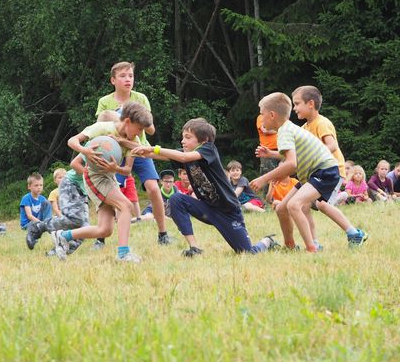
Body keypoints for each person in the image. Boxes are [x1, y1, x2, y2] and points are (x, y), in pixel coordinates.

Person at [131, 118, 278, 257]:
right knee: (176, 199)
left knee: (246, 252)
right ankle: (194, 247)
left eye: (188, 137)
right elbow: (166, 156)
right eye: (183, 137)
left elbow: (181, 157)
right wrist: (143, 151)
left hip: (227, 211)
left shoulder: (209, 149)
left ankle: (267, 241)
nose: (183, 141)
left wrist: (154, 148)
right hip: (206, 208)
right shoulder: (186, 154)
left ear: (204, 140)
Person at [250, 93, 367, 252]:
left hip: (324, 172)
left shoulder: (285, 131)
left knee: (294, 205)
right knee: (281, 208)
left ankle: (312, 248)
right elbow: (293, 158)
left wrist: (264, 179)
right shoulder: (288, 128)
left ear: (272, 115)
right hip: (312, 174)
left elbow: (291, 163)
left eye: (262, 114)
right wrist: (272, 155)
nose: (260, 119)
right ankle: (290, 246)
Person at [41, 101, 152, 262]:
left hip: (110, 177)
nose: (140, 133)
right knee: (126, 206)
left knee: (105, 230)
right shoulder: (103, 128)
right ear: (128, 121)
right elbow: (72, 141)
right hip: (94, 176)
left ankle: (63, 236)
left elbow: (127, 170)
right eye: (139, 129)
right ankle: (123, 254)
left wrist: (116, 168)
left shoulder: (133, 141)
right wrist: (84, 150)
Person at [96, 61, 171, 245]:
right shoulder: (104, 102)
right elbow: (100, 127)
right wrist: (116, 117)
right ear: (113, 80)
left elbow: (151, 130)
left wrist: (139, 119)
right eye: (122, 76)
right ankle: (100, 239)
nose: (128, 79)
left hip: (139, 148)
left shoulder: (140, 98)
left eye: (130, 76)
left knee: (153, 188)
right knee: (110, 193)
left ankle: (163, 234)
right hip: (116, 151)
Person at [292, 86, 346, 204]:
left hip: (334, 171)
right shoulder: (304, 128)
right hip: (317, 173)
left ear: (311, 104)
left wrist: (312, 155)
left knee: (322, 205)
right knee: (303, 204)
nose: (294, 108)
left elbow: (332, 146)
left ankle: (336, 199)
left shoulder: (321, 123)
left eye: (297, 104)